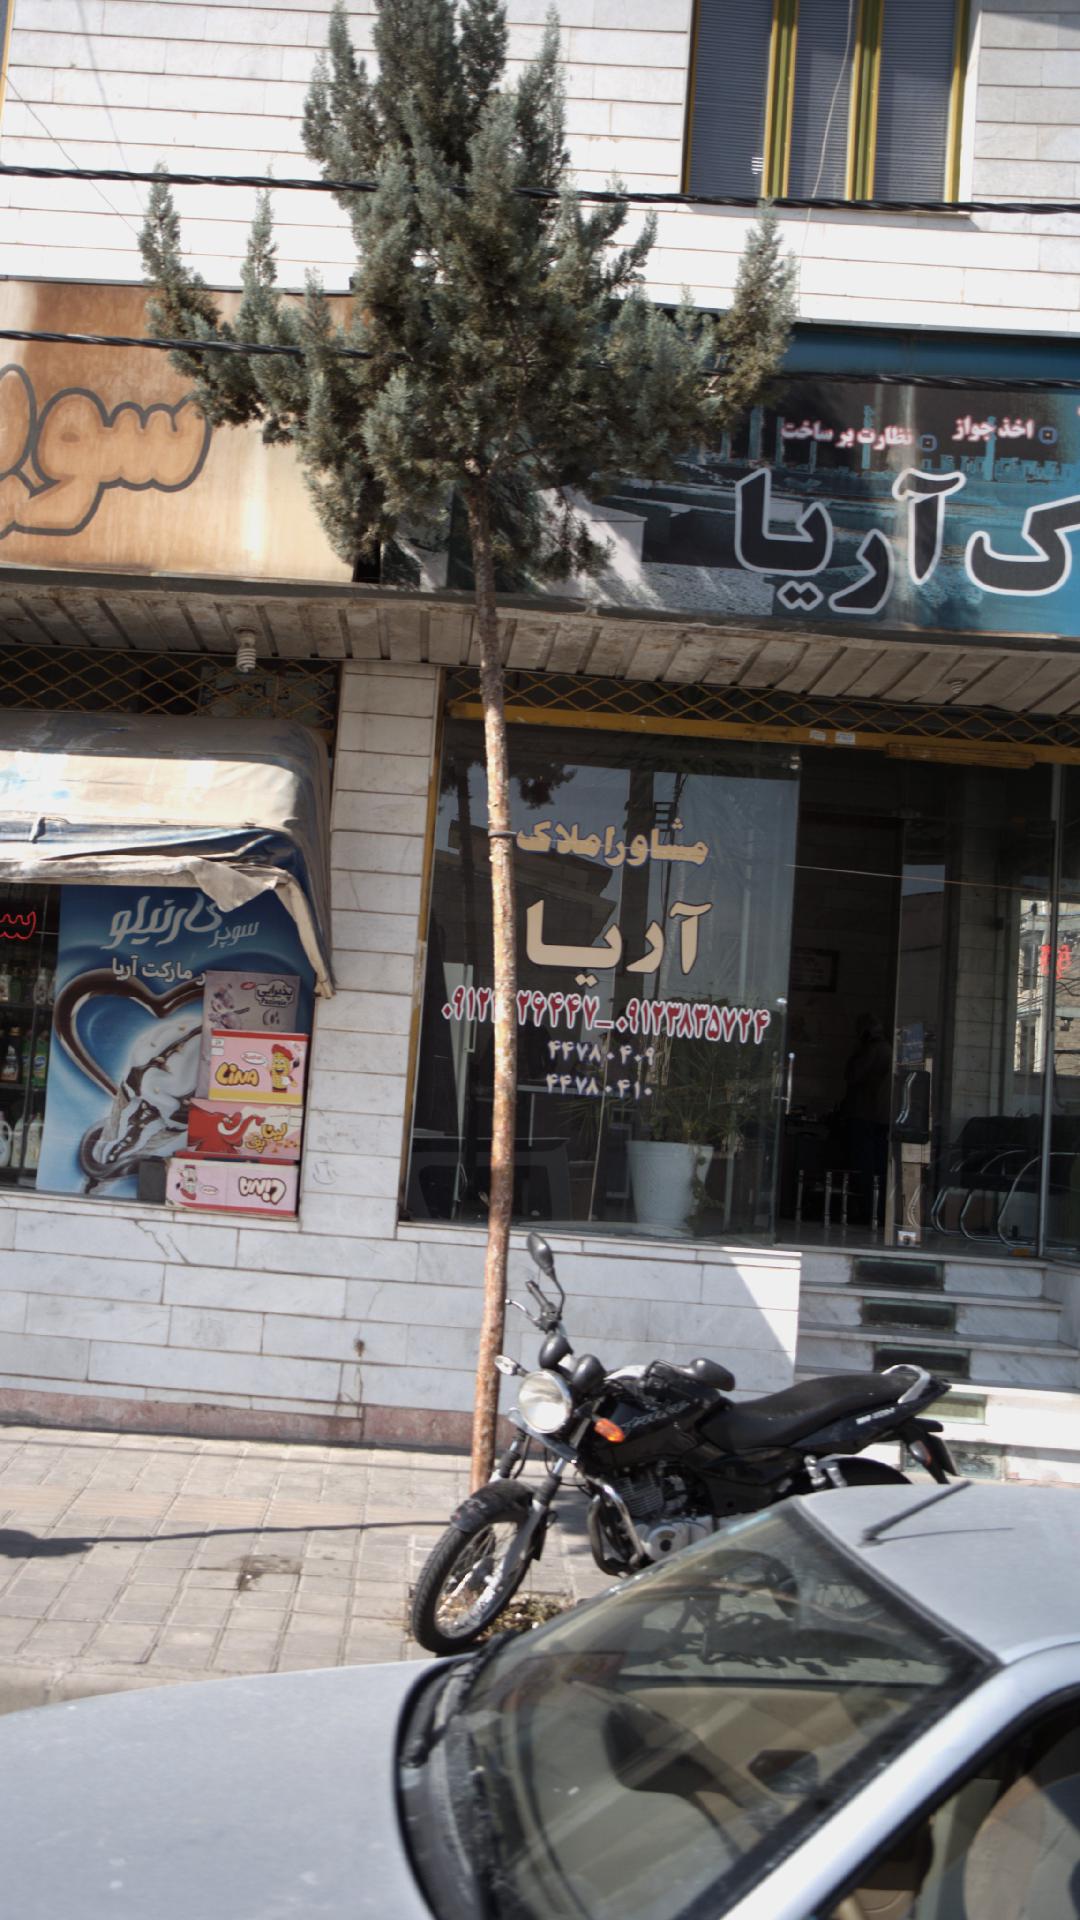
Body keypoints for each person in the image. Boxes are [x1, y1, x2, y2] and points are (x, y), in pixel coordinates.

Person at [839, 1012, 892, 1224]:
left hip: (866, 1114)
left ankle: (868, 1211)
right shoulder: (885, 1049)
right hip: (876, 1116)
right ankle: (872, 1210)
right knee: (872, 1166)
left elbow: (853, 1075)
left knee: (864, 1166)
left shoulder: (873, 1049)